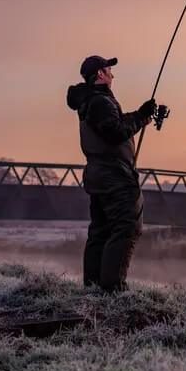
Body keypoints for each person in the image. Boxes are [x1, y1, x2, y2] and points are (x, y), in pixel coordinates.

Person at [66, 55, 156, 292]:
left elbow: (113, 125)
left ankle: (94, 287)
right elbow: (115, 132)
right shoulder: (100, 102)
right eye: (109, 70)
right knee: (127, 227)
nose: (112, 74)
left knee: (101, 231)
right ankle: (113, 290)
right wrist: (139, 117)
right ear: (100, 75)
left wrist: (141, 115)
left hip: (99, 175)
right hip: (115, 176)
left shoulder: (91, 101)